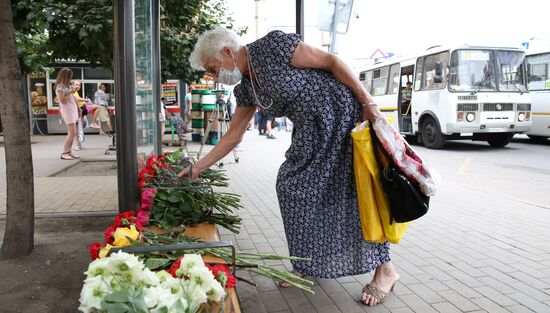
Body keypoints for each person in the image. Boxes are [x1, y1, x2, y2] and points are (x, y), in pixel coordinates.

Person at [179, 27, 398, 307]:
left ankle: (386, 270)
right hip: (310, 133)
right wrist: (198, 168)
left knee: (353, 196)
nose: (212, 76)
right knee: (292, 187)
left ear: (226, 52)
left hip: (342, 119)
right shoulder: (246, 88)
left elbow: (332, 62)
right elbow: (233, 135)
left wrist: (368, 102)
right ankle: (306, 261)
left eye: (212, 69)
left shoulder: (274, 46)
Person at [55, 68, 80, 160]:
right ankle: (65, 153)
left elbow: (72, 97)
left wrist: (78, 108)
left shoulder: (65, 86)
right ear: (66, 76)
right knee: (72, 133)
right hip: (67, 110)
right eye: (70, 76)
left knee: (73, 133)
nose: (71, 78)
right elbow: (62, 100)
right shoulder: (60, 86)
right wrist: (70, 93)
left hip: (72, 109)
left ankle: (69, 152)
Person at [71, 80, 86, 150]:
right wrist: (85, 100)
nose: (78, 86)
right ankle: (77, 145)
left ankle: (79, 145)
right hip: (76, 112)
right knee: (77, 129)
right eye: (76, 85)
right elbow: (77, 100)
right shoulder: (72, 93)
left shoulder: (75, 92)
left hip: (79, 111)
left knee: (79, 128)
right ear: (72, 85)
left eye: (79, 85)